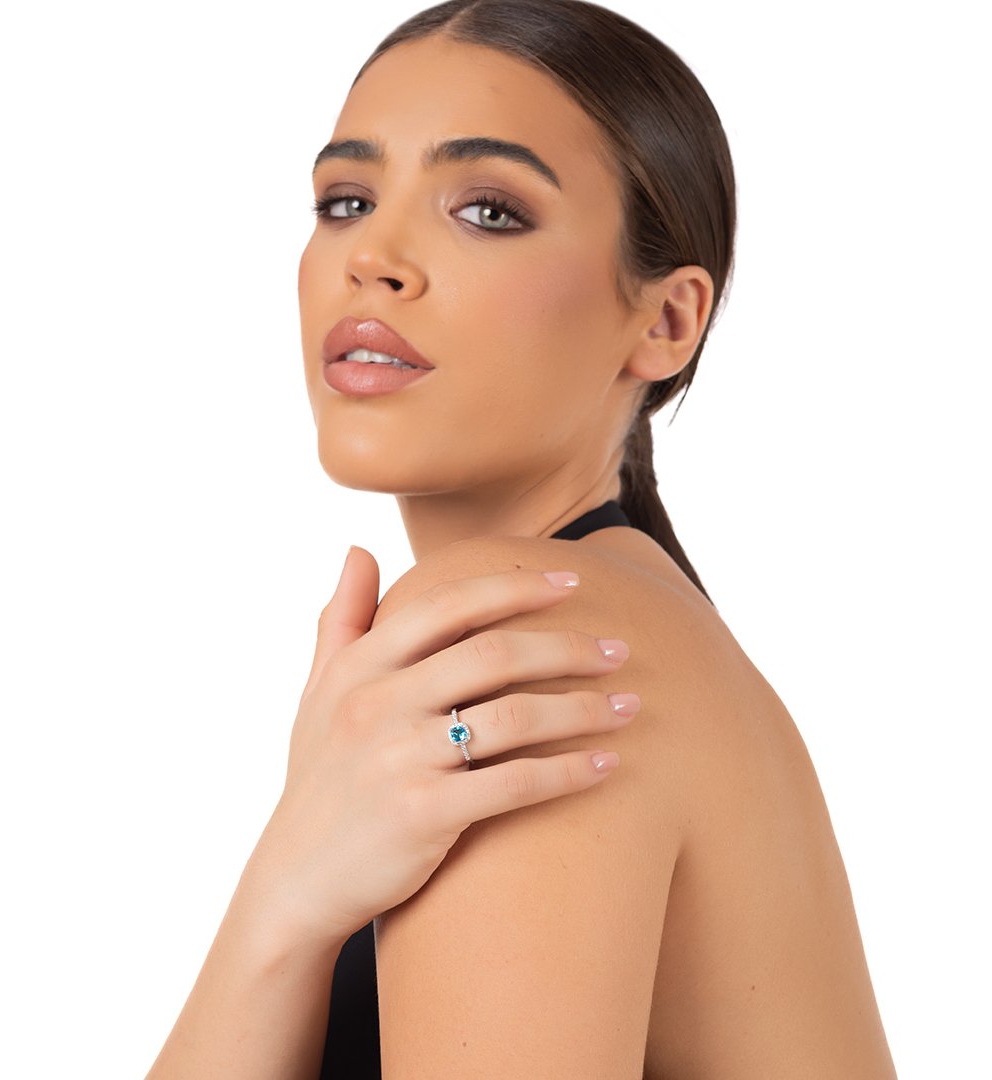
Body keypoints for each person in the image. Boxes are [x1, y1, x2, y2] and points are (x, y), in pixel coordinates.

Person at [146, 1, 897, 1076]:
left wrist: (286, 897)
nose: (374, 258)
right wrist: (286, 899)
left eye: (488, 210)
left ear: (667, 321)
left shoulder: (527, 639)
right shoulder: (619, 625)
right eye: (346, 201)